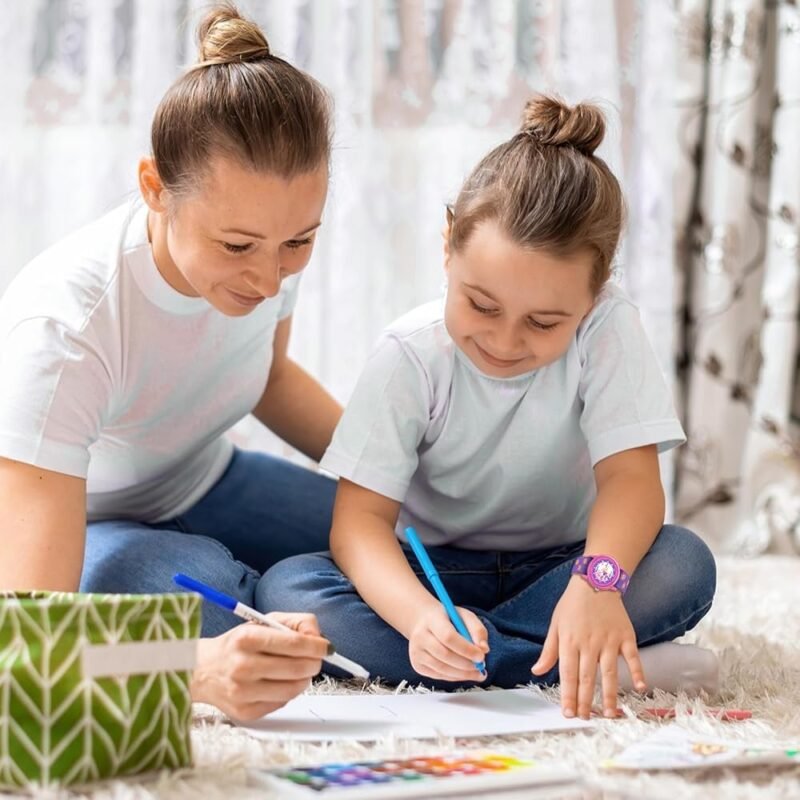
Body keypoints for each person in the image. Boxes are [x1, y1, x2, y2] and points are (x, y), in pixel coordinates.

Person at [261, 96, 719, 721]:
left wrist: (596, 583)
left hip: (568, 565)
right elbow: (359, 524)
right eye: (481, 305)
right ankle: (561, 663)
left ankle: (509, 657)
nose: (504, 342)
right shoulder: (409, 355)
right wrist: (422, 619)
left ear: (595, 292)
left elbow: (631, 483)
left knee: (684, 563)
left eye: (544, 321)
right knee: (290, 588)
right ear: (447, 247)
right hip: (436, 577)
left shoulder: (610, 330)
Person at [0, 4, 341, 721]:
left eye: (298, 243)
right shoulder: (67, 328)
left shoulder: (268, 233)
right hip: (87, 519)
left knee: (411, 536)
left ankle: (296, 594)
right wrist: (192, 672)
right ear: (155, 188)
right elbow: (25, 642)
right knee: (212, 613)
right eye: (239, 247)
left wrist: (398, 477)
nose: (269, 276)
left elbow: (270, 379)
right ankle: (284, 601)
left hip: (203, 475)